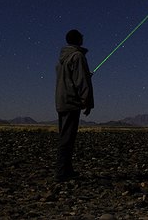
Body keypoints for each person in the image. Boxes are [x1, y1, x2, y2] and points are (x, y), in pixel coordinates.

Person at [54, 29, 94, 181]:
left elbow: (71, 79)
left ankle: (67, 169)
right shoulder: (77, 56)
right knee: (68, 138)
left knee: (66, 136)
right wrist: (87, 102)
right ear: (78, 39)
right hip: (71, 102)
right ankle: (62, 172)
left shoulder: (62, 59)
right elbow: (81, 81)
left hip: (62, 101)